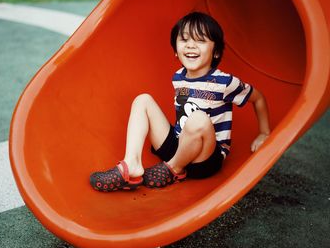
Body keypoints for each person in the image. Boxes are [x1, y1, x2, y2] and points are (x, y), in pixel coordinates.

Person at [90, 12, 270, 192]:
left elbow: (258, 98)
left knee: (198, 118)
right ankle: (132, 163)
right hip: (179, 146)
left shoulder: (225, 83)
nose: (191, 45)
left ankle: (175, 168)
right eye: (184, 40)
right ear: (176, 50)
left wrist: (264, 133)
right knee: (142, 100)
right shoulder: (178, 77)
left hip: (205, 159)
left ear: (216, 52)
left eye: (200, 40)